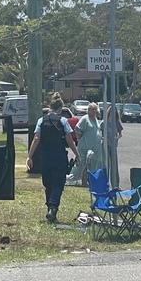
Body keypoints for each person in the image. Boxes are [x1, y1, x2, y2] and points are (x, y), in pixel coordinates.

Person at [27, 93, 80, 222]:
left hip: (45, 157)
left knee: (48, 184)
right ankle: (52, 208)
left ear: (50, 107)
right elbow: (69, 140)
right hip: (59, 157)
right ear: (60, 109)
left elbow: (36, 138)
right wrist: (77, 154)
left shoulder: (41, 120)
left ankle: (50, 210)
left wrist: (30, 156)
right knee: (58, 184)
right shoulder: (63, 121)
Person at [68, 102, 104, 185]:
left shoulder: (95, 120)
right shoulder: (85, 118)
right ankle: (74, 181)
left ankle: (89, 182)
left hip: (94, 148)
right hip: (84, 147)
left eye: (94, 109)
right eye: (90, 109)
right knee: (82, 165)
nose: (92, 111)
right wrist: (79, 138)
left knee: (92, 166)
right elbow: (77, 129)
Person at [103, 105, 123, 188]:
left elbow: (120, 134)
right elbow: (99, 132)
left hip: (113, 146)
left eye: (114, 112)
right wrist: (104, 138)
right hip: (106, 146)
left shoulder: (117, 122)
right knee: (106, 165)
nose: (112, 113)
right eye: (111, 111)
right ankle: (105, 184)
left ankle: (116, 185)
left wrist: (117, 137)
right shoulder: (104, 122)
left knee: (114, 165)